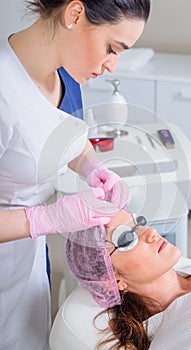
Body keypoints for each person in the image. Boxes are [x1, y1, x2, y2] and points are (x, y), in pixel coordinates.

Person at [0, 1, 151, 349]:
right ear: (74, 14)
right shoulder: (5, 90)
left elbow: (67, 134)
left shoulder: (66, 72)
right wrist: (44, 218)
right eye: (112, 48)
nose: (113, 65)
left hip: (30, 256)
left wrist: (91, 165)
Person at [66, 209, 191, 350]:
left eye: (138, 222)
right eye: (126, 238)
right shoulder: (180, 340)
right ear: (112, 281)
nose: (150, 232)